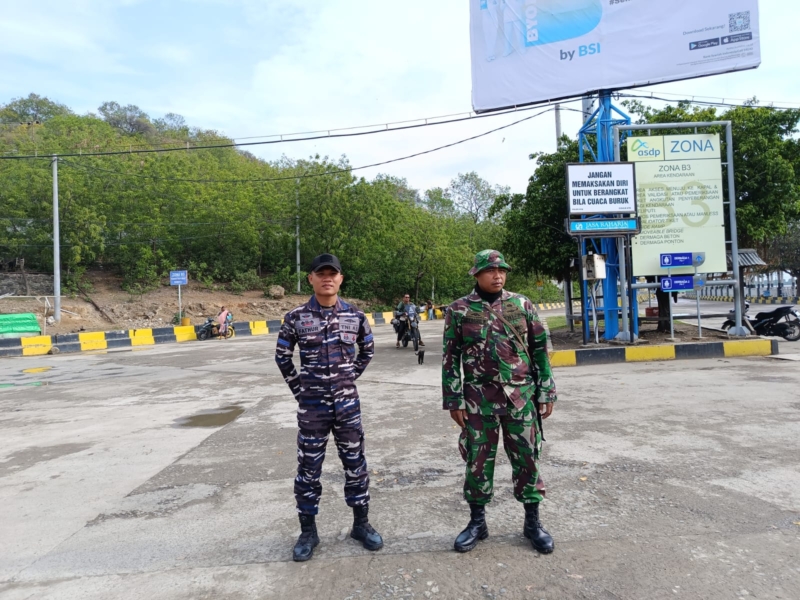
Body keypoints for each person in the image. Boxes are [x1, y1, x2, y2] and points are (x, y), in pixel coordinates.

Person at [442, 249, 557, 554]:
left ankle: (532, 523)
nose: (498, 276)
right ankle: (477, 523)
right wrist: (454, 399)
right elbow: (450, 357)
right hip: (478, 401)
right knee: (477, 462)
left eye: (502, 271)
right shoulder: (459, 309)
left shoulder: (522, 304)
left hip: (520, 398)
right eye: (491, 271)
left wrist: (546, 390)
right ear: (477, 274)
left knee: (527, 459)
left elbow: (540, 350)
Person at [275, 253, 383, 562]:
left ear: (340, 279)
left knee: (355, 465)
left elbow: (367, 350)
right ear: (310, 278)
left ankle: (361, 525)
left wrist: (347, 378)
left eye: (332, 274)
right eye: (321, 273)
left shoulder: (355, 315)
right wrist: (301, 391)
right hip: (312, 410)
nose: (327, 278)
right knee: (308, 470)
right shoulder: (296, 317)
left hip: (348, 407)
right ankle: (308, 532)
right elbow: (282, 357)